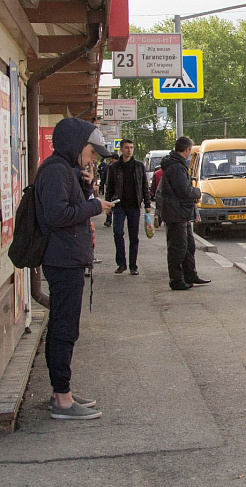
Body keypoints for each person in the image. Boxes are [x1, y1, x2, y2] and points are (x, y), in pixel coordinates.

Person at [34, 118, 115, 420]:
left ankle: (61, 391)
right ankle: (63, 401)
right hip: (63, 261)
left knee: (62, 328)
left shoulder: (62, 170)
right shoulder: (56, 171)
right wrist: (95, 206)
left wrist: (85, 185)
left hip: (65, 260)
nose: (93, 159)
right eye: (91, 152)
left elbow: (68, 207)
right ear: (75, 146)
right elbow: (59, 215)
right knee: (64, 330)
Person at [160, 136, 211, 290]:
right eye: (190, 149)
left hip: (181, 212)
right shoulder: (176, 166)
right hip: (176, 213)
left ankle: (190, 275)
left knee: (189, 245)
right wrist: (197, 192)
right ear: (187, 149)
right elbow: (184, 190)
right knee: (178, 247)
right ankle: (176, 280)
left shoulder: (177, 164)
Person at [104, 139, 151, 275]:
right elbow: (109, 187)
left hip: (134, 206)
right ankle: (121, 263)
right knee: (118, 233)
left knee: (134, 237)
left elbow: (144, 187)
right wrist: (108, 204)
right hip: (119, 205)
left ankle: (133, 265)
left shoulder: (139, 166)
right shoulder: (114, 168)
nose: (129, 150)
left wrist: (147, 204)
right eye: (126, 148)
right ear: (121, 149)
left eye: (131, 147)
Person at [98, 155, 115, 227]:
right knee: (109, 205)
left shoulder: (121, 168)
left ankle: (112, 220)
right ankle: (108, 220)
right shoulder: (107, 168)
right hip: (110, 189)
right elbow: (103, 178)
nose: (111, 161)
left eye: (112, 160)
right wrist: (101, 188)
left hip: (118, 191)